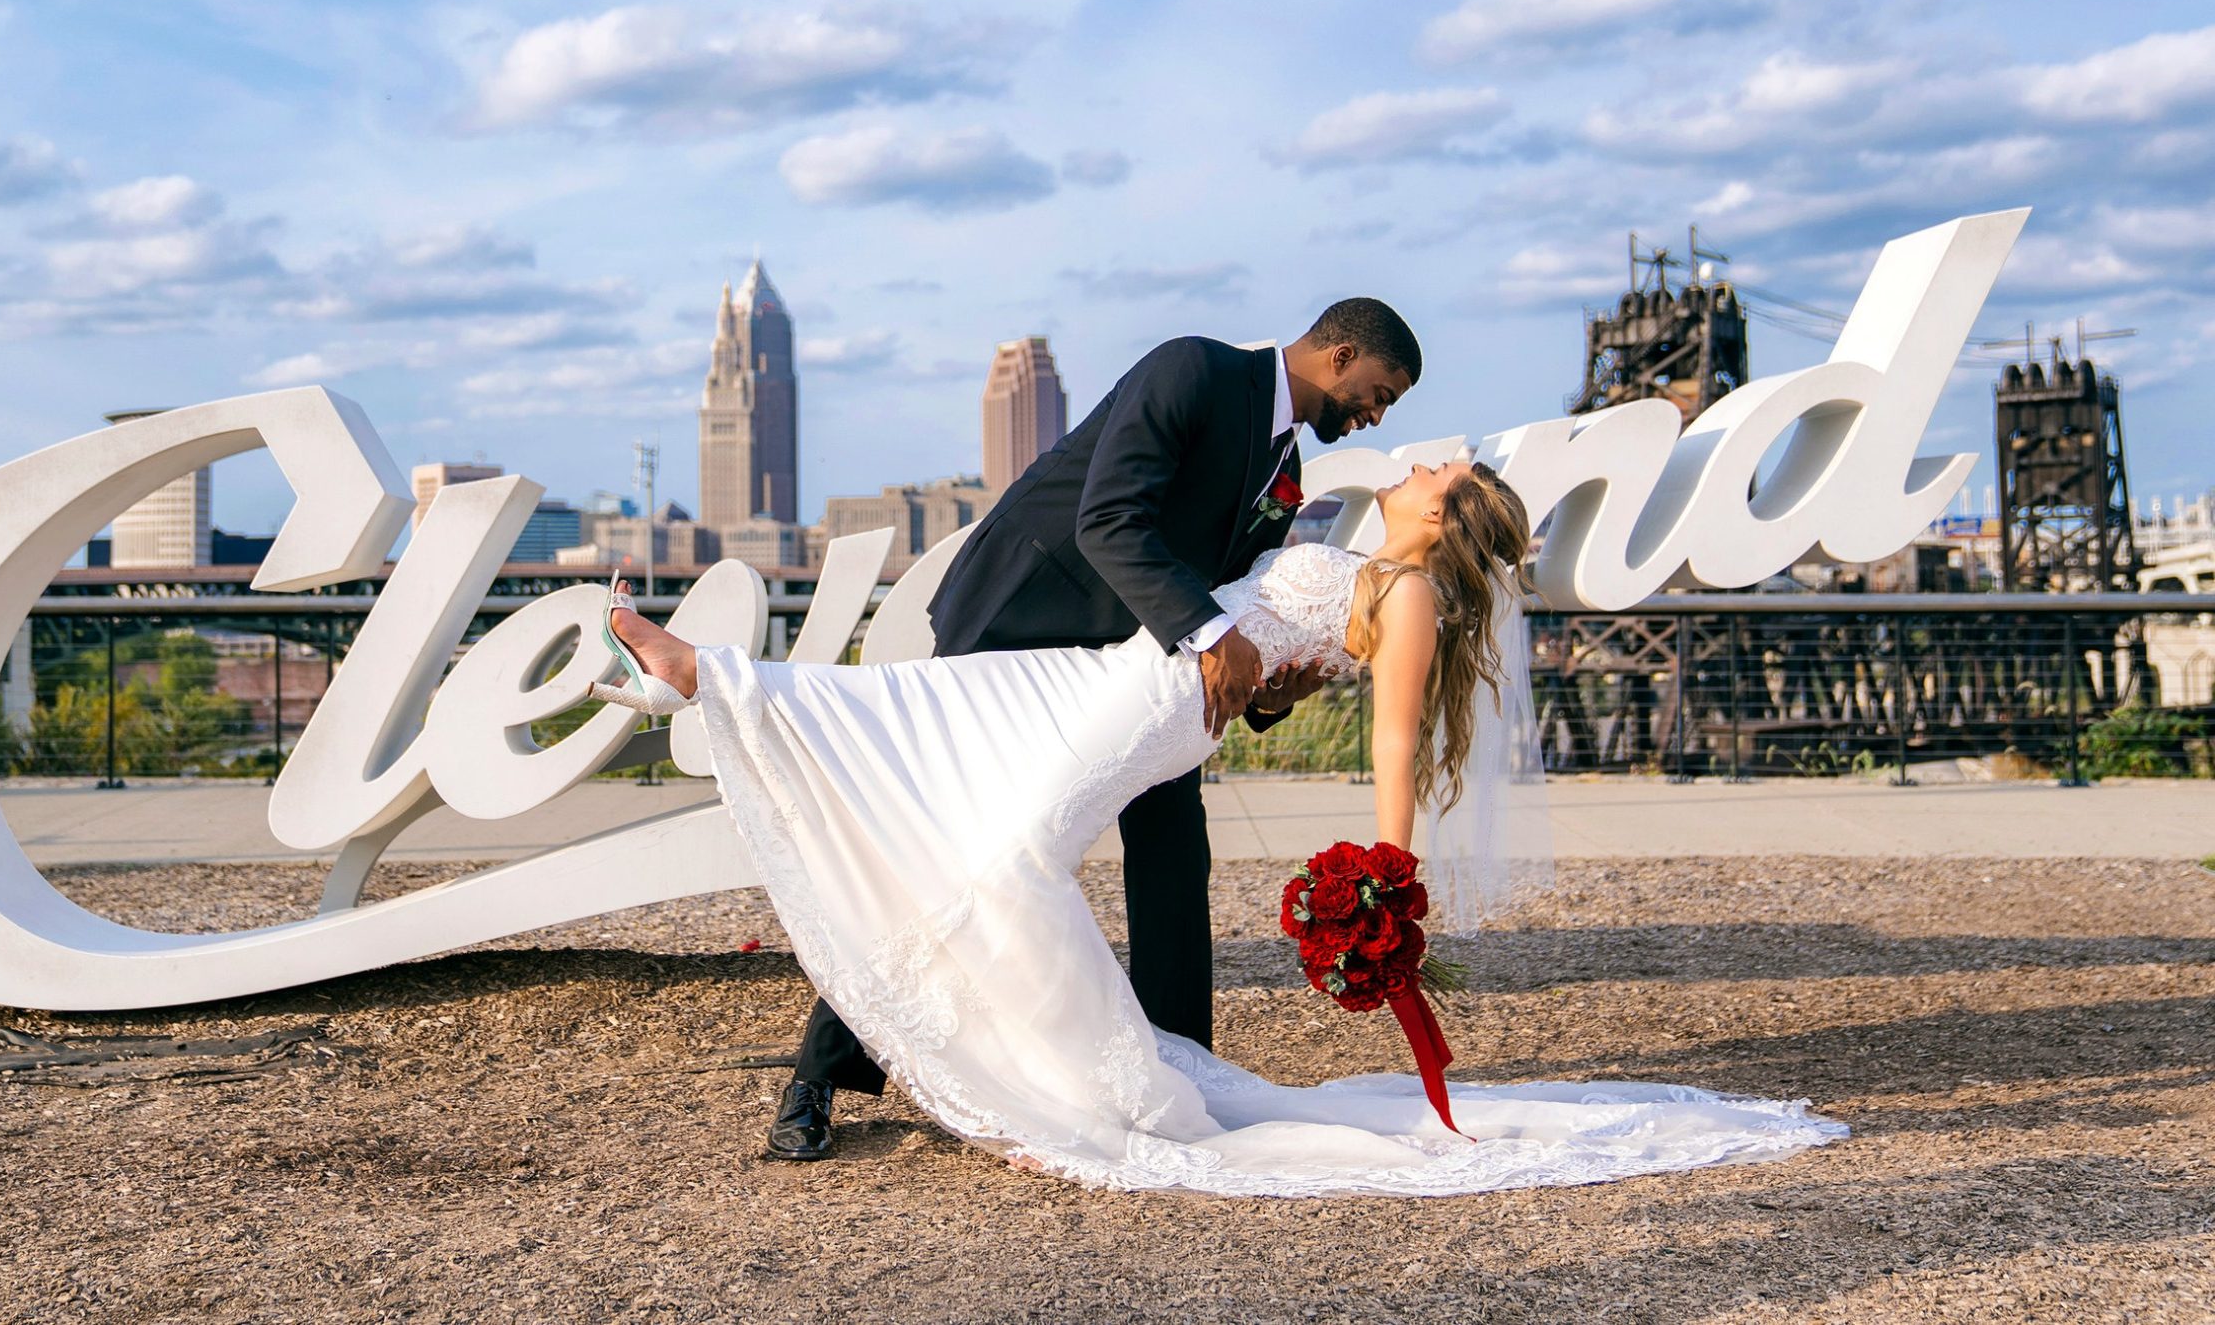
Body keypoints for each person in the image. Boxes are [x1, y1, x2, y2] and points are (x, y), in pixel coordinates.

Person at [589, 458, 1847, 1196]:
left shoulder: (1406, 593)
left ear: (1443, 518)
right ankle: (698, 679)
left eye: (1437, 472)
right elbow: (1284, 647)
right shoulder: (1356, 549)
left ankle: (1088, 1098)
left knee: (1006, 856)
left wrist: (1388, 865)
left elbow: (1394, 734)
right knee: (924, 710)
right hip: (1107, 672)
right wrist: (1286, 666)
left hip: (1146, 704)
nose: (1415, 462)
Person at [756, 302, 1421, 1160]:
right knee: (957, 853)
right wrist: (1214, 638)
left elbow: (1227, 595)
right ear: (1339, 356)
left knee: (1175, 846)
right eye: (1380, 392)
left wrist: (1271, 693)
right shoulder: (1195, 370)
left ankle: (1181, 1076)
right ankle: (819, 1075)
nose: (1376, 414)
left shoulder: (1283, 460)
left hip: (1134, 667)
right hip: (1015, 622)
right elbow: (1107, 519)